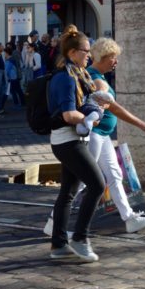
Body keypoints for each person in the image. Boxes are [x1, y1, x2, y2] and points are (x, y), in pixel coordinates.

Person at [46, 38, 145, 235]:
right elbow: (112, 106)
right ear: (105, 57)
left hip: (103, 135)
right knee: (80, 183)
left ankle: (129, 218)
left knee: (114, 175)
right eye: (114, 58)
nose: (116, 62)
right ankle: (53, 224)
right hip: (94, 135)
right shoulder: (97, 79)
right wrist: (141, 124)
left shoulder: (96, 76)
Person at [47, 29, 106, 263]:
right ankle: (80, 239)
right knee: (97, 184)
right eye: (85, 51)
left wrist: (97, 111)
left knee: (68, 193)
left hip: (73, 140)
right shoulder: (65, 78)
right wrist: (89, 119)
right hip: (67, 140)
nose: (89, 56)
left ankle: (58, 245)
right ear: (72, 52)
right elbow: (69, 114)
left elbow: (87, 103)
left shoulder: (79, 74)